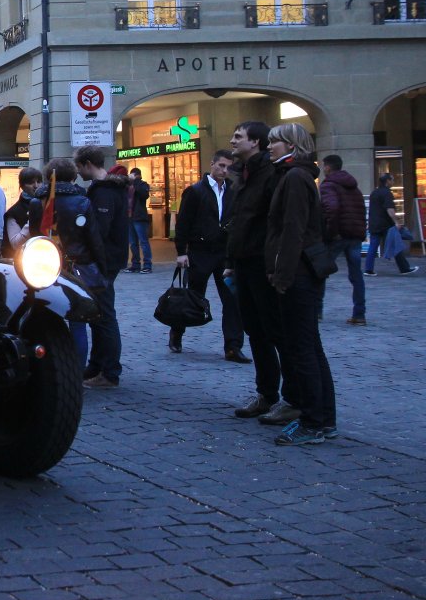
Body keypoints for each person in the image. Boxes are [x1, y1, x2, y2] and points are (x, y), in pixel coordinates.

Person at [264, 123, 336, 446]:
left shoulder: (295, 177)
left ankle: (313, 422)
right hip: (302, 272)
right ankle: (323, 419)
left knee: (302, 349)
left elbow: (292, 230)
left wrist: (282, 274)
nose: (270, 147)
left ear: (291, 145)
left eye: (275, 142)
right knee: (310, 347)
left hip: (298, 274)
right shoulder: (298, 175)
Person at [225, 120, 298, 426]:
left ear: (255, 142)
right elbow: (240, 220)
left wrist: (273, 265)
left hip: (262, 263)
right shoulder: (244, 173)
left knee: (276, 332)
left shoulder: (270, 173)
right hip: (244, 262)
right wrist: (231, 260)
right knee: (255, 331)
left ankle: (292, 399)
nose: (232, 141)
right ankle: (266, 393)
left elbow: (274, 223)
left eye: (238, 136)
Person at [171, 149, 248, 361]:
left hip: (225, 253)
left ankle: (233, 346)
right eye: (221, 166)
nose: (224, 170)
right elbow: (183, 223)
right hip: (201, 252)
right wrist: (181, 252)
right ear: (212, 164)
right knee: (193, 298)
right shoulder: (195, 191)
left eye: (228, 167)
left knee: (232, 300)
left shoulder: (233, 190)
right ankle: (177, 331)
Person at [70, 146, 130, 389]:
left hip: (104, 260)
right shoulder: (106, 189)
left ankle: (110, 371)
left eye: (78, 166)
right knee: (97, 314)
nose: (77, 171)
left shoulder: (104, 192)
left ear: (87, 164)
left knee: (104, 315)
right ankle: (96, 365)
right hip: (106, 259)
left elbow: (99, 230)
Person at [40, 157, 105, 374]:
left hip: (43, 267)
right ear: (72, 176)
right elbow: (93, 239)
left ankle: (50, 371)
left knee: (47, 321)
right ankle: (76, 373)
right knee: (78, 323)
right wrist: (101, 265)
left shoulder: (38, 201)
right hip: (78, 265)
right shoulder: (81, 202)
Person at [319, 155, 370, 326]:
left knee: (320, 271)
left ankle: (316, 311)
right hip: (354, 235)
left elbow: (331, 208)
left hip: (338, 236)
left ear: (327, 167)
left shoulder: (328, 185)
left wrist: (331, 232)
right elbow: (361, 210)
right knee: (356, 276)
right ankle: (359, 314)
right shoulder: (353, 186)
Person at [364, 173, 417, 275]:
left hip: (374, 223)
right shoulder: (387, 193)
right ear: (387, 181)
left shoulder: (374, 192)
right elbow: (390, 210)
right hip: (386, 225)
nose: (393, 182)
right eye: (392, 180)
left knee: (373, 247)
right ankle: (404, 268)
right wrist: (397, 222)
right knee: (395, 244)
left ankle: (368, 269)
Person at [3, 166, 46, 260]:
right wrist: (33, 220)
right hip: (24, 260)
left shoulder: (47, 204)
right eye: (31, 182)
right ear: (22, 186)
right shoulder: (14, 212)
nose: (36, 186)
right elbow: (15, 244)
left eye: (39, 181)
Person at [127, 167, 154, 272]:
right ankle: (135, 264)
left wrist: (136, 181)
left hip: (139, 217)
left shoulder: (143, 185)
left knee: (143, 242)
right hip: (130, 217)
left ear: (137, 175)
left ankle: (147, 265)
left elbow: (144, 195)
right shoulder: (128, 186)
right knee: (133, 243)